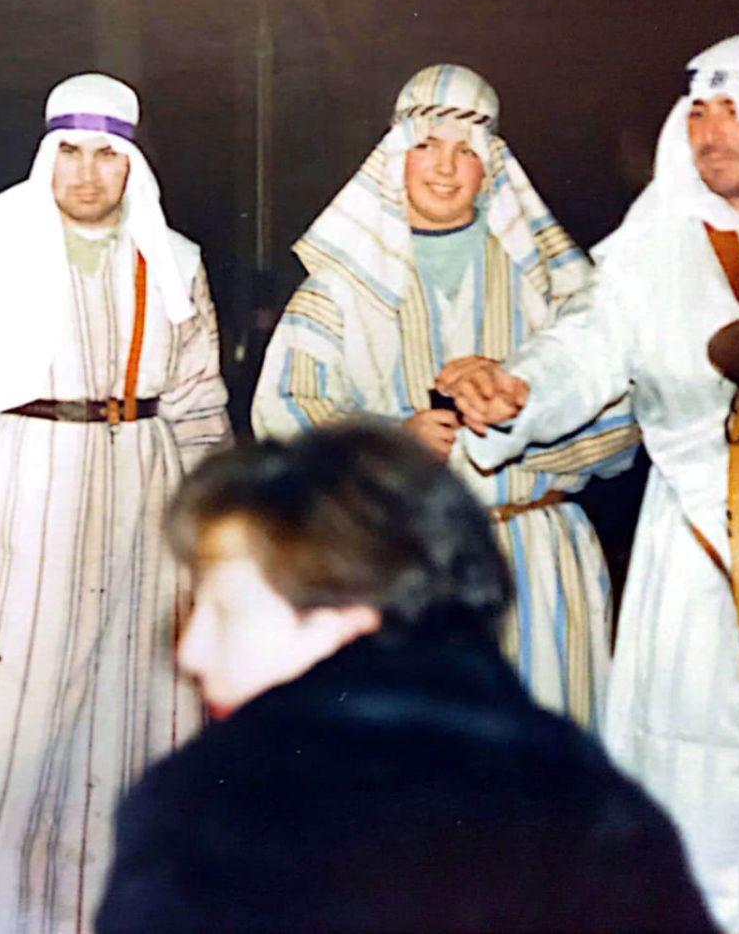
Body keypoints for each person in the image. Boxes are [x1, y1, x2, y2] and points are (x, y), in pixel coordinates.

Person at [445, 34, 739, 932]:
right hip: (696, 566)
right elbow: (578, 350)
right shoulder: (650, 249)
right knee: (694, 797)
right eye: (698, 112)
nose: (712, 132)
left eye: (736, 112)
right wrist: (513, 392)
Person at [96, 424, 715, 934]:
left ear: (349, 617)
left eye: (225, 611)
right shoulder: (591, 795)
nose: (190, 649)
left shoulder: (211, 811)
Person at [0, 72, 231, 934]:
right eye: (71, 151)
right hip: (13, 516)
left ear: (132, 164)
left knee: (129, 740)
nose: (87, 172)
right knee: (1, 752)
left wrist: (215, 551)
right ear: (46, 155)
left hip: (142, 522)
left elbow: (200, 414)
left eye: (107, 154)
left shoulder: (175, 267)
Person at [251, 65, 638, 725]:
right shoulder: (336, 289)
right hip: (393, 564)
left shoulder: (556, 289)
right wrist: (392, 441)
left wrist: (526, 418)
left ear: (492, 168)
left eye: (467, 152)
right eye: (428, 145)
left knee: (543, 771)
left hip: (536, 561)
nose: (445, 168)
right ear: (396, 155)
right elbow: (282, 418)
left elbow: (624, 420)